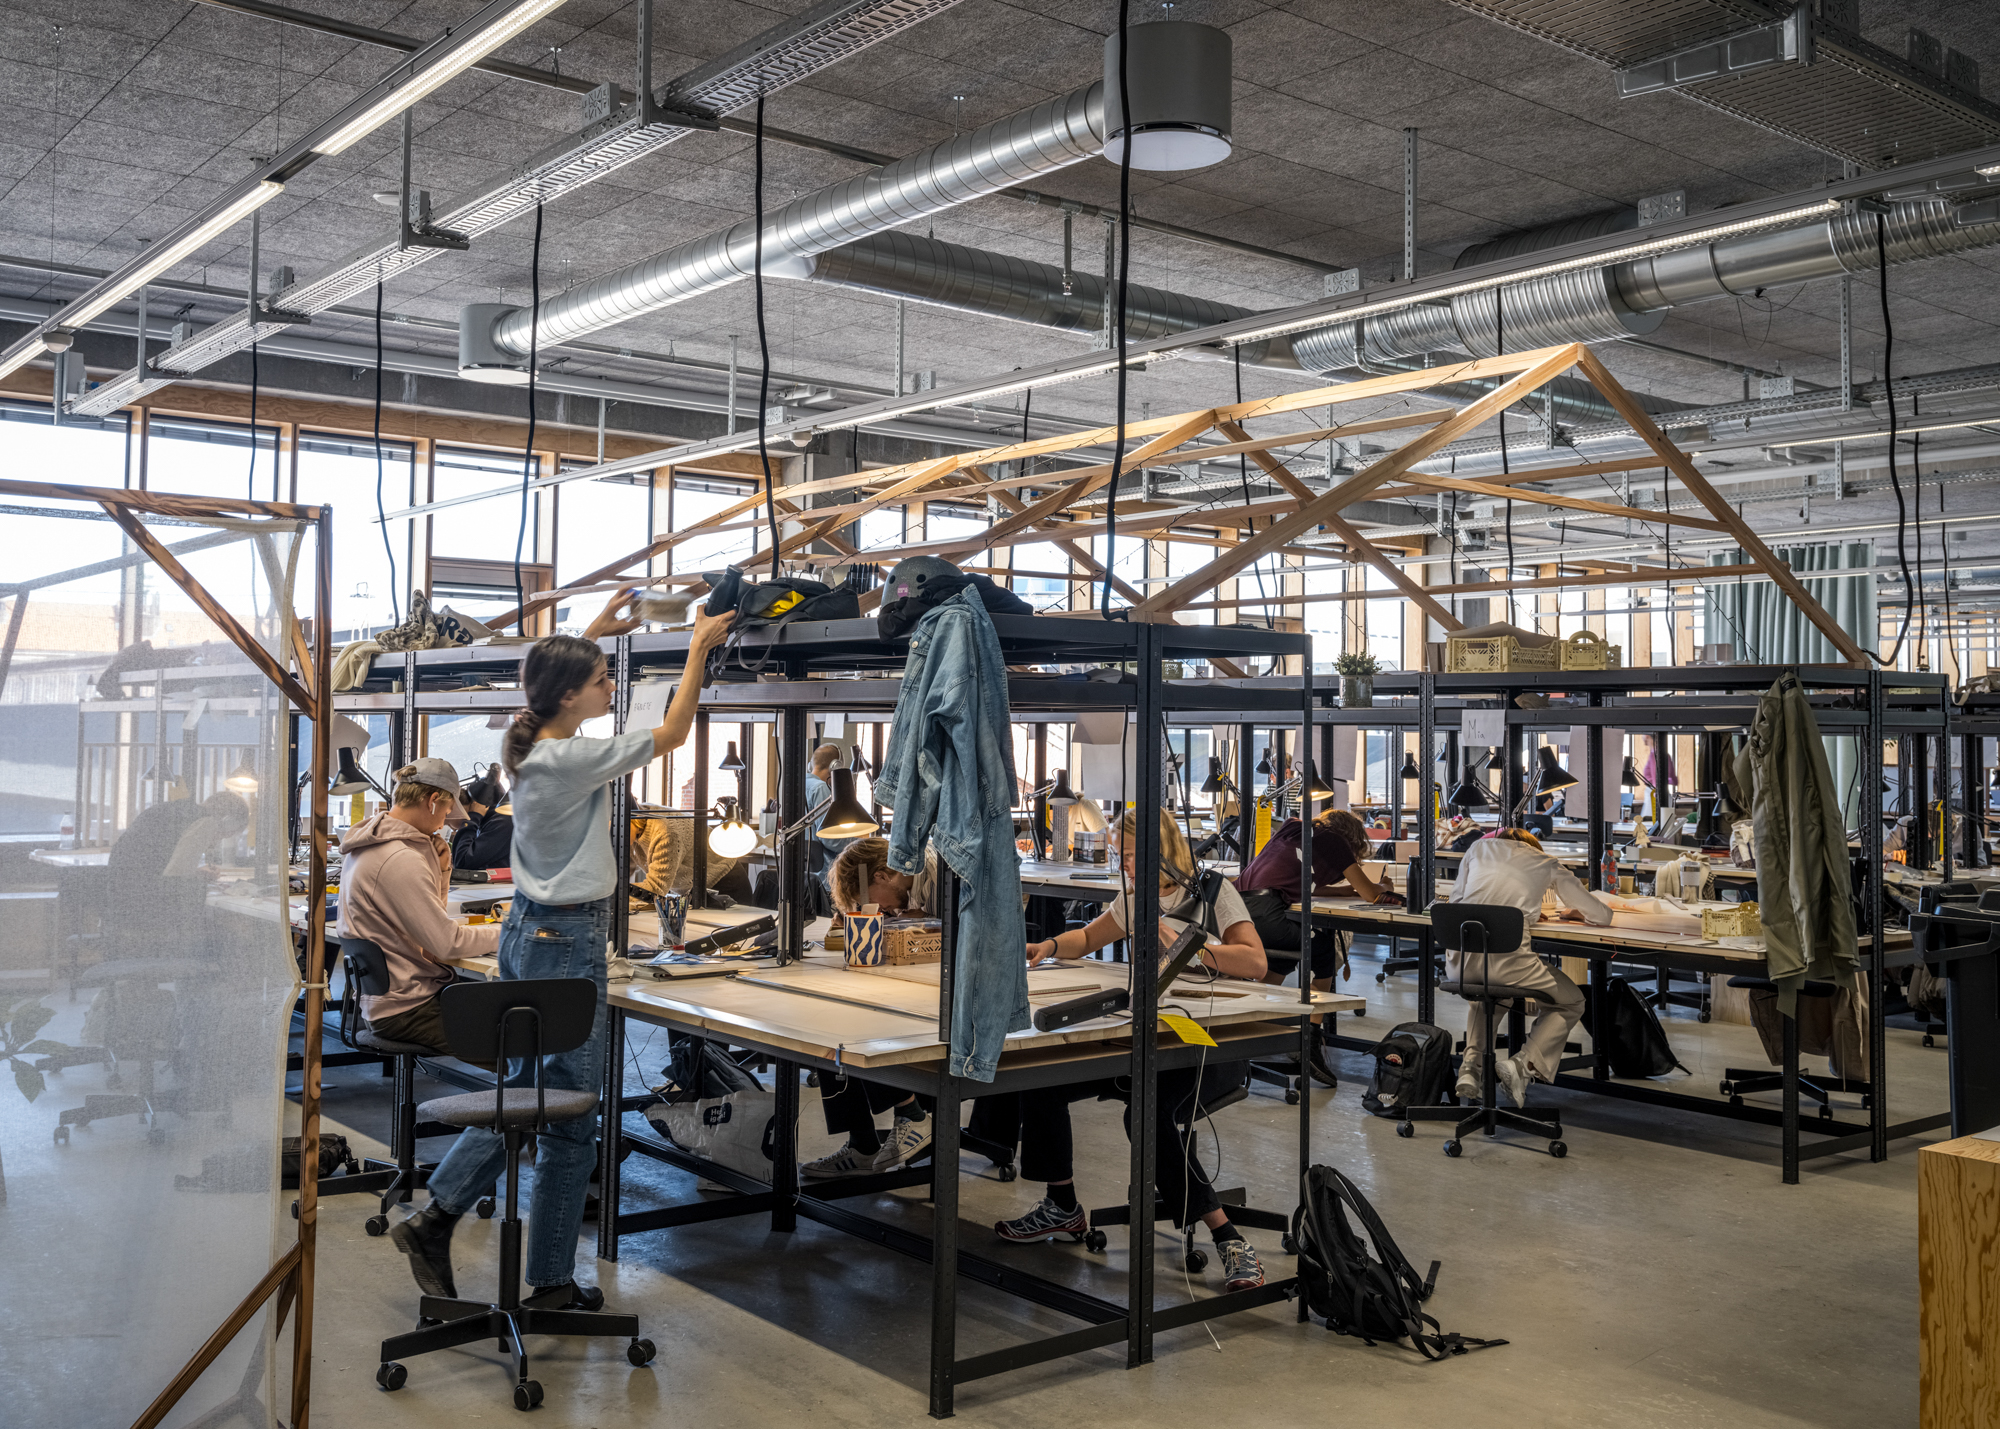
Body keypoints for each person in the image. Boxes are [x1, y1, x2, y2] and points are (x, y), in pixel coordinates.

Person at [391, 596, 732, 1310]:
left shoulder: (528, 746)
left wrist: (597, 629)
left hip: (531, 930)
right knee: (570, 1115)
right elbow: (674, 731)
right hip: (567, 938)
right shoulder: (568, 759)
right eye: (603, 679)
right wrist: (699, 646)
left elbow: (552, 686)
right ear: (569, 696)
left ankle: (442, 1219)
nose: (612, 689)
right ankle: (539, 1276)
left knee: (528, 1094)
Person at [996, 808, 1270, 1293]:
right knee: (1043, 1076)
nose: (1123, 865)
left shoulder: (1211, 892)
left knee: (1144, 1112)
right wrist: (1050, 946)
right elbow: (1089, 937)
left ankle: (1227, 1237)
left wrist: (1187, 944)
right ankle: (1062, 1205)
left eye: (1129, 855)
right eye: (1119, 855)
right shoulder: (1133, 896)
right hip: (1148, 1035)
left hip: (1209, 1043)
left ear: (1160, 851)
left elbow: (1255, 963)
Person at [337, 758, 502, 1063]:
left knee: (508, 1014)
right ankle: (532, 1093)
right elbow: (446, 944)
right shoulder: (400, 858)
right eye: (447, 811)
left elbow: (430, 931)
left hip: (387, 1001)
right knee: (518, 1039)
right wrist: (510, 932)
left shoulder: (368, 845)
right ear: (432, 801)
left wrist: (442, 871)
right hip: (408, 1009)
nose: (444, 823)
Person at [1235, 805, 1400, 1085]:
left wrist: (1344, 890)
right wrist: (1384, 887)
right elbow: (1371, 894)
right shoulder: (1335, 841)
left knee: (1285, 956)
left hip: (1244, 911)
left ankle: (1246, 1032)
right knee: (1324, 948)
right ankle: (1309, 1042)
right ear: (1351, 837)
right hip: (1269, 914)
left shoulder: (1292, 828)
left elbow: (1304, 883)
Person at [805, 837, 939, 1178]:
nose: (875, 908)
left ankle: (912, 1115)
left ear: (882, 876)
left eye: (869, 900)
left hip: (950, 985)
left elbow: (945, 932)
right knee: (826, 1021)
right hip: (913, 977)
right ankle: (863, 1144)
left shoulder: (939, 875)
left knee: (859, 1018)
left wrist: (907, 920)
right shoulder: (903, 885)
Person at [1449, 827, 1612, 1106]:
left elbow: (1456, 904)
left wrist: (1524, 915)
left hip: (1460, 965)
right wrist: (1574, 912)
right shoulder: (1545, 861)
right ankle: (1524, 1065)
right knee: (1571, 1002)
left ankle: (1470, 1068)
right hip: (1510, 967)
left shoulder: (1477, 849)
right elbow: (1602, 916)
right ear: (1533, 847)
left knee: (1490, 994)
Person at [106, 791, 249, 956]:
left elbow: (156, 867)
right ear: (228, 821)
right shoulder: (206, 822)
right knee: (232, 938)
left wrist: (195, 875)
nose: (218, 841)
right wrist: (198, 884)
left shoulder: (175, 811)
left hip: (122, 907)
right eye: (226, 835)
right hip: (145, 915)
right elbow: (177, 883)